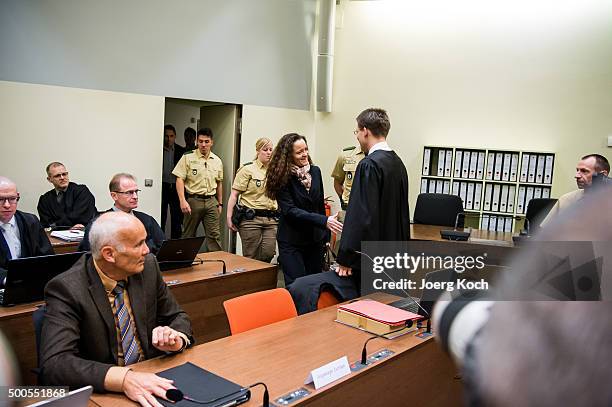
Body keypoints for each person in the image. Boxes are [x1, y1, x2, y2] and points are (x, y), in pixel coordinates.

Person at [40, 212, 193, 405]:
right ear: (109, 254)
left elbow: (178, 316)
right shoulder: (67, 289)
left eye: (145, 241)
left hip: (153, 373)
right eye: (138, 244)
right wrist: (123, 379)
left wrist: (175, 338)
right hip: (105, 392)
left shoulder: (148, 267)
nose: (147, 250)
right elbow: (55, 364)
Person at [336, 108, 410, 290]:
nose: (357, 137)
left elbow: (361, 216)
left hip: (370, 258)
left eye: (357, 132)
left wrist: (347, 256)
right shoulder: (398, 163)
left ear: (365, 131)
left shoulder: (369, 165)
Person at [264, 133, 342, 285]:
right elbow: (290, 210)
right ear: (288, 155)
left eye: (306, 149)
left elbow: (319, 205)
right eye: (299, 152)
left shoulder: (315, 171)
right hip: (292, 241)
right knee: (297, 285)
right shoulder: (282, 176)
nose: (305, 154)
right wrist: (324, 220)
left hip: (314, 241)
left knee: (314, 285)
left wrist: (325, 237)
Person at [79, 173, 165, 254]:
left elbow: (163, 248)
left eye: (136, 192)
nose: (135, 196)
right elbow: (89, 256)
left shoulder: (147, 220)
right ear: (114, 196)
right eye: (129, 193)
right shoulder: (99, 224)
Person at [227, 138, 279, 262]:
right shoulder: (247, 169)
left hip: (271, 219)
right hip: (250, 219)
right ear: (257, 151)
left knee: (269, 252)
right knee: (251, 256)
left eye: (271, 150)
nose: (268, 152)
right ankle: (252, 280)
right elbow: (234, 194)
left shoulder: (275, 171)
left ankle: (260, 279)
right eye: (265, 149)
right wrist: (229, 217)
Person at [173, 128, 223, 251]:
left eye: (206, 141)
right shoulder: (187, 157)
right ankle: (185, 262)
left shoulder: (217, 160)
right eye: (200, 141)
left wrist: (220, 203)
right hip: (193, 201)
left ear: (212, 142)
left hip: (212, 202)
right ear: (197, 142)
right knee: (188, 236)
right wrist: (182, 200)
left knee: (214, 236)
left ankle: (216, 264)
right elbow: (179, 179)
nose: (203, 145)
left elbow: (219, 183)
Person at [0, 176, 54, 279]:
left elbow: (47, 257)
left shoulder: (30, 221)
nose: (7, 205)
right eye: (1, 199)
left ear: (17, 196)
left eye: (12, 199)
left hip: (31, 281)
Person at [541, 154, 609, 225]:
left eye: (584, 171)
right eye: (577, 170)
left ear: (603, 175)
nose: (576, 176)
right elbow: (545, 232)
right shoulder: (566, 199)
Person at [37, 162, 97, 229]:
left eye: (64, 174)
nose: (62, 178)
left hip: (82, 235)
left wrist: (56, 225)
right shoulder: (45, 200)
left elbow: (80, 217)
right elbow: (46, 224)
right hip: (54, 236)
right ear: (49, 179)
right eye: (57, 176)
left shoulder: (81, 191)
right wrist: (68, 226)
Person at [330, 144, 365, 253]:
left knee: (366, 251)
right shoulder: (346, 155)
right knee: (343, 250)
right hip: (348, 211)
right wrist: (344, 200)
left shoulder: (379, 157)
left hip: (369, 214)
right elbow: (337, 182)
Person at [161, 125, 185, 239]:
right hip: (163, 187)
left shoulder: (181, 151)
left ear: (175, 137)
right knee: (162, 216)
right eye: (166, 136)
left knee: (177, 218)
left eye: (171, 136)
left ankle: (175, 244)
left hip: (176, 188)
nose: (169, 138)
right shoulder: (159, 150)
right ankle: (160, 244)